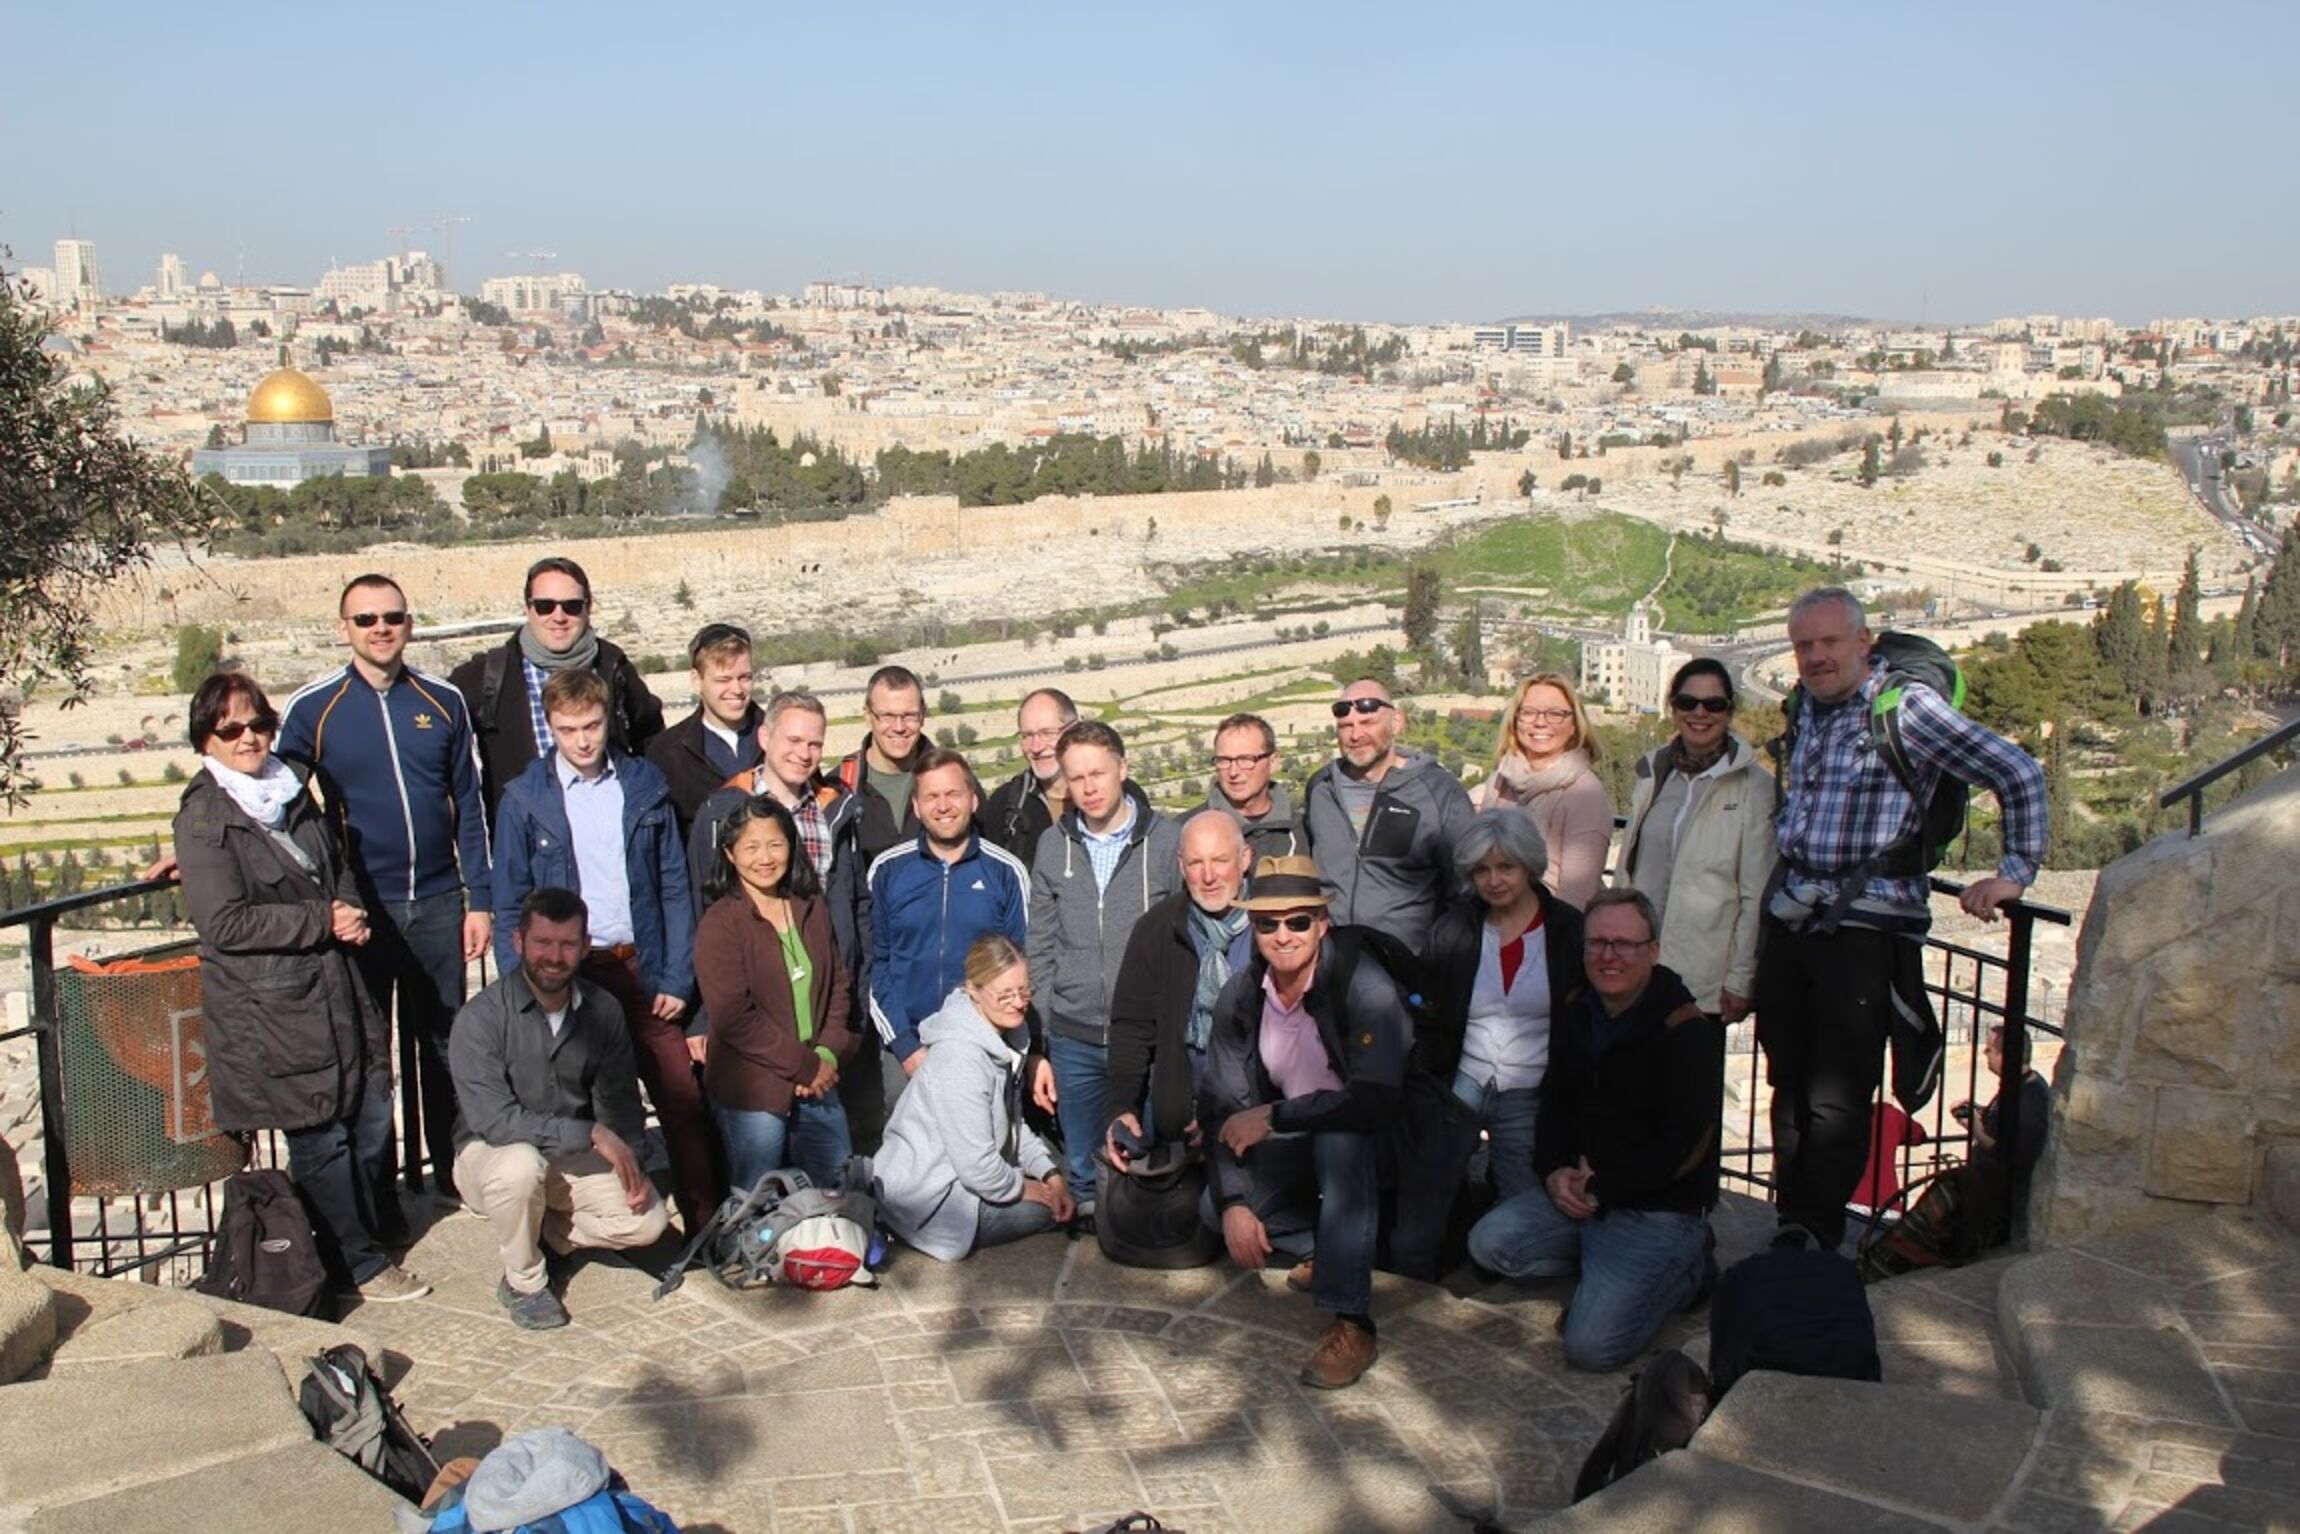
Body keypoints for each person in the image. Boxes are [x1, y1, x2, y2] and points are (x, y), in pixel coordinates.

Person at [1760, 587, 2047, 1251]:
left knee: (1837, 1093)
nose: (1817, 657)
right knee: (1789, 1078)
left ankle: (1814, 1231)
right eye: (1805, 645)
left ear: (1864, 643)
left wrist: (2014, 873)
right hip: (1795, 917)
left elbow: (2018, 773)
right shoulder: (1808, 710)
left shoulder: (1904, 707)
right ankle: (1792, 1222)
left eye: (1830, 643)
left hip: (1864, 926)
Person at [172, 672, 428, 1303]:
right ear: (206, 738)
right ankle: (355, 1265)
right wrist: (324, 920)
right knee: (318, 1133)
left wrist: (346, 908)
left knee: (366, 1112)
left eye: (258, 723)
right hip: (272, 1006)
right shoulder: (206, 815)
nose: (249, 738)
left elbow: (330, 864)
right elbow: (224, 922)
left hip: (330, 987)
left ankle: (362, 1235)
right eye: (231, 729)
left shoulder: (287, 790)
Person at [276, 573, 493, 1201]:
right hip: (363, 910)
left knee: (447, 1042)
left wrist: (477, 897)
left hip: (438, 900)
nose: (380, 629)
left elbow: (470, 805)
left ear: (409, 623)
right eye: (366, 619)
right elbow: (273, 796)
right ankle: (379, 1189)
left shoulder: (443, 701)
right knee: (370, 1054)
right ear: (344, 628)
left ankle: (454, 1172)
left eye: (391, 617)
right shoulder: (315, 710)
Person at [1466, 890, 1722, 1372]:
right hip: (1584, 1192)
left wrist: (1604, 1189)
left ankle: (1687, 1270)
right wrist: (1553, 1174)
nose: (1609, 956)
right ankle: (1608, 1270)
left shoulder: (1684, 1030)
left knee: (1590, 1348)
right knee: (1489, 1244)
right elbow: (1556, 1103)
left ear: (1653, 950)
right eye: (1597, 943)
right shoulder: (1578, 1008)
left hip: (1655, 1207)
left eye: (1624, 944)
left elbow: (1685, 1146)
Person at [491, 669, 710, 1229]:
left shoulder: (643, 785)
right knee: (577, 1107)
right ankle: (598, 1224)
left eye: (591, 725)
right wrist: (526, 991)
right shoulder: (525, 800)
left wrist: (677, 977)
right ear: (550, 728)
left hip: (642, 966)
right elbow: (511, 902)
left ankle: (706, 1221)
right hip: (569, 976)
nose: (583, 740)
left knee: (680, 1095)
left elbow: (673, 886)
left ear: (608, 718)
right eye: (568, 730)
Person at [1200, 854, 1412, 1390]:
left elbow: (1376, 1101)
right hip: (1297, 1139)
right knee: (1213, 1209)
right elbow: (1224, 1104)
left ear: (1323, 923)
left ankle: (1352, 1322)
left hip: (1376, 1141)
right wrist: (1234, 1203)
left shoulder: (1365, 989)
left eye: (1298, 921)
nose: (1283, 935)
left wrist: (1274, 1114)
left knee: (1340, 1143)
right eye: (1267, 923)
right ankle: (1326, 1245)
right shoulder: (1243, 995)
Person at [450, 887, 671, 1330]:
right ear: (518, 942)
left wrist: (630, 1157)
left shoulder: (602, 1009)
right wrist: (589, 1133)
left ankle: (545, 1235)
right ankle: (525, 1281)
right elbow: (495, 1121)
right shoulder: (480, 1019)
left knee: (648, 1222)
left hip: (565, 1157)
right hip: (490, 1155)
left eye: (568, 944)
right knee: (519, 1166)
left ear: (585, 947)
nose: (554, 956)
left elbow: (619, 1100)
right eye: (543, 943)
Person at [1028, 720, 1182, 1215]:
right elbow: (1041, 944)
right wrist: (1050, 1028)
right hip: (1075, 1039)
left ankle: (1153, 1256)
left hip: (1150, 1040)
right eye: (1076, 778)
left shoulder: (1166, 844)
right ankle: (1094, 1266)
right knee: (1083, 1167)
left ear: (1123, 768)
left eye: (1098, 773)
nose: (1089, 788)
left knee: (1155, 1158)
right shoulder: (1054, 846)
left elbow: (1184, 942)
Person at [1411, 809, 1587, 1213]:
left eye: (1506, 867)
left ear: (1529, 865)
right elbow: (1429, 1010)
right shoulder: (1453, 928)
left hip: (1530, 1085)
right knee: (1433, 1187)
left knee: (1520, 1202)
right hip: (1464, 1078)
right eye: (1481, 870)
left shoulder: (1567, 932)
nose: (1493, 881)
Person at [692, 795, 859, 1191]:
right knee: (756, 1200)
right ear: (730, 855)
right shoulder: (720, 924)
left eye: (775, 844)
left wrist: (824, 1055)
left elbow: (838, 984)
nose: (764, 858)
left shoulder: (810, 905)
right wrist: (803, 1067)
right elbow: (736, 1019)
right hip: (753, 1088)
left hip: (817, 1075)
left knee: (838, 1190)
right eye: (750, 847)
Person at [872, 935, 1075, 1261]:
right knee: (1052, 1211)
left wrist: (1049, 1174)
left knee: (1062, 1190)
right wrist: (1031, 1189)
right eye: (1005, 994)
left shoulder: (1004, 1034)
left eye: (1024, 991)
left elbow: (1012, 1125)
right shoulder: (960, 1059)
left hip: (964, 1181)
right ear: (974, 991)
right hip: (930, 1199)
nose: (1018, 1002)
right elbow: (979, 1169)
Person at [866, 749, 1031, 1115]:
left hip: (982, 1043)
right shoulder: (888, 872)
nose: (943, 806)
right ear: (917, 805)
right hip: (906, 1043)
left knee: (985, 1152)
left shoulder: (1006, 873)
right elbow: (876, 965)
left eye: (953, 794)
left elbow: (1020, 966)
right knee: (911, 1159)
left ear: (972, 799)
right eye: (932, 796)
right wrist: (906, 1047)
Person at [1615, 658, 1777, 1022]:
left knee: (1690, 1076)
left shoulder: (1756, 788)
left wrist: (1740, 979)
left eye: (1713, 704)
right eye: (1688, 703)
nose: (1699, 713)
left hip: (1702, 981)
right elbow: (1629, 868)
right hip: (1637, 968)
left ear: (1729, 711)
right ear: (1673, 708)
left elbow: (1755, 894)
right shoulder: (1654, 774)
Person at [450, 555, 664, 818]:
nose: (558, 616)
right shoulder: (489, 674)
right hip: (526, 837)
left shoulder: (612, 665)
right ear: (528, 609)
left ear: (588, 607)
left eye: (571, 606)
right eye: (545, 606)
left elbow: (651, 737)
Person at [1104, 810, 1254, 1167]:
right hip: (1179, 1132)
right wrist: (1123, 1106)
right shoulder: (1157, 928)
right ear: (1181, 866)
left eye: (1220, 860)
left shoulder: (1274, 930)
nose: (1208, 876)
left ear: (1245, 859)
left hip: (1256, 1123)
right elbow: (1132, 1028)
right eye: (1196, 863)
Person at [1301, 678, 1474, 955]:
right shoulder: (1321, 788)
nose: (1355, 735)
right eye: (1346, 727)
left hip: (1410, 967)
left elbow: (1466, 887)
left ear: (1396, 722)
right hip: (1332, 964)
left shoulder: (1438, 791)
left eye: (1368, 723)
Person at [1476, 672, 1612, 907]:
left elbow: (1578, 895)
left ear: (1574, 726)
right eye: (1529, 712)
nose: (1541, 722)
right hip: (1492, 924)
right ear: (1514, 720)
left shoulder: (1584, 793)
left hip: (1547, 929)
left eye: (1555, 714)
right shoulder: (1501, 779)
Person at [646, 622, 763, 837]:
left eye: (744, 677)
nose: (737, 689)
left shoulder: (781, 739)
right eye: (723, 679)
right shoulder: (667, 754)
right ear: (697, 681)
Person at [831, 665, 929, 875]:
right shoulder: (839, 787)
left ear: (923, 715)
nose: (899, 727)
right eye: (887, 716)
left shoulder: (951, 780)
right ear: (868, 716)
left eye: (909, 715)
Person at [982, 687, 1077, 863]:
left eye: (1047, 733)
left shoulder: (1117, 796)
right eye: (1027, 736)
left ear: (1073, 730)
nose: (1036, 747)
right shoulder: (1004, 805)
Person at [1954, 1023, 2050, 1194]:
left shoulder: (2028, 1096)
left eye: (1989, 1049)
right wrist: (1980, 1112)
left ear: (2004, 1056)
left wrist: (1976, 1129)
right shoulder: (2018, 1085)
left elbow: (2012, 1154)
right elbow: (2004, 1123)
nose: (1984, 1053)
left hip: (2002, 1195)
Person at [1206, 712, 1303, 860]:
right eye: (1224, 760)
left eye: (1246, 759)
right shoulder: (1186, 830)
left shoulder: (1305, 832)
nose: (1233, 772)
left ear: (1273, 763)